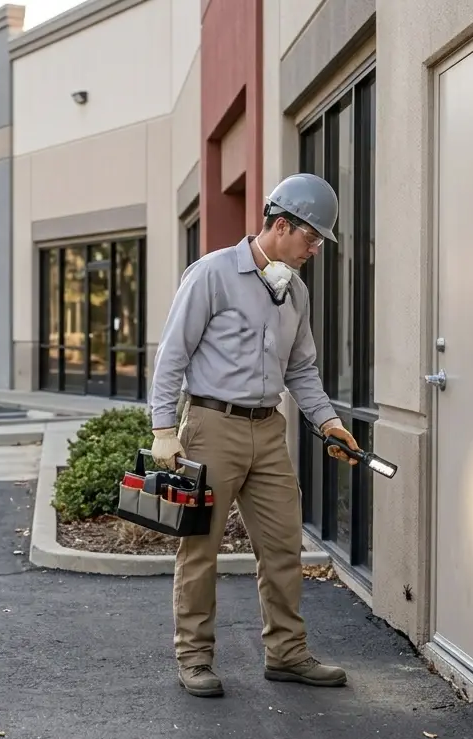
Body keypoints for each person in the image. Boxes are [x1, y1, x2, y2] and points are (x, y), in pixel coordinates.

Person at [147, 172, 360, 698]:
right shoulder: (212, 275)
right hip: (211, 427)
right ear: (282, 224)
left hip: (268, 431)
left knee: (284, 545)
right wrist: (163, 429)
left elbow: (302, 370)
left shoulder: (297, 293)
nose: (315, 249)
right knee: (200, 548)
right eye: (311, 238)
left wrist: (328, 422)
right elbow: (171, 355)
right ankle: (194, 658)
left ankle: (286, 654)